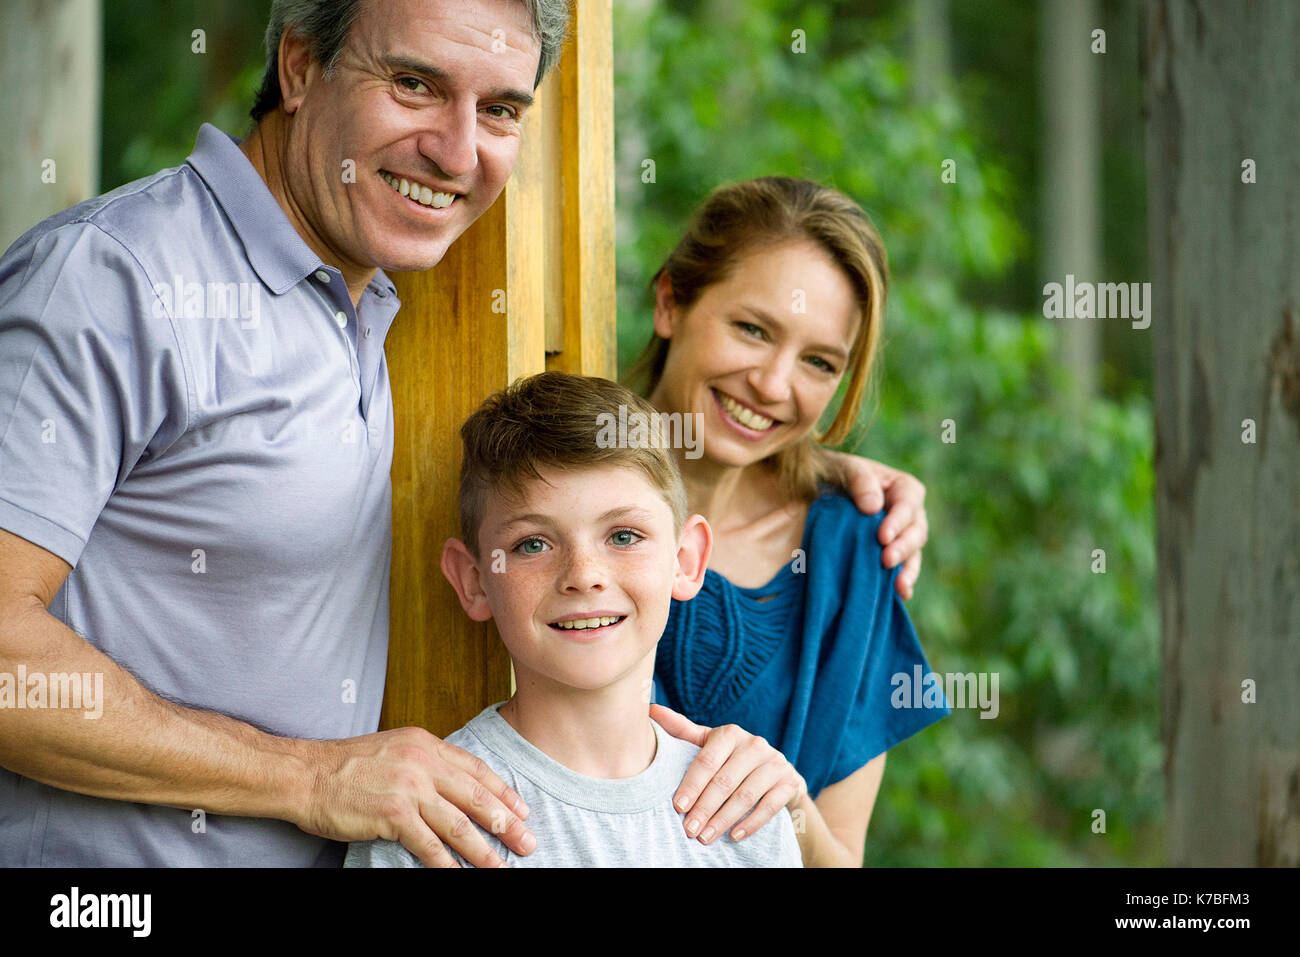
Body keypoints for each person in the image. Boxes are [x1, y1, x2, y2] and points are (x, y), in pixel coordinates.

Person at [0, 1, 927, 867]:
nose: (454, 150)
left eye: (500, 110)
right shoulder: (112, 281)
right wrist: (311, 777)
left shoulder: (366, 300)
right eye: (413, 84)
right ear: (297, 64)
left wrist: (804, 464)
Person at [348, 372, 801, 867]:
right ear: (473, 581)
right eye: (533, 545)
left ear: (687, 560)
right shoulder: (431, 820)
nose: (584, 576)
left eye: (624, 536)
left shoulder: (746, 813)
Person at [633, 177, 949, 866]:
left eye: (818, 361)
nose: (773, 385)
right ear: (670, 302)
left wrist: (784, 801)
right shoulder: (547, 494)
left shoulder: (852, 556)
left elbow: (840, 857)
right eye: (753, 329)